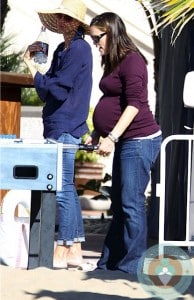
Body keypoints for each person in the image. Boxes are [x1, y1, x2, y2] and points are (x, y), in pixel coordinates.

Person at [86, 12, 162, 274]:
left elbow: (133, 106)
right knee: (119, 203)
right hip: (125, 140)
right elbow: (114, 101)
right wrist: (98, 131)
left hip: (140, 140)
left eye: (98, 38)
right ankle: (110, 262)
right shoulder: (114, 61)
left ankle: (132, 266)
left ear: (111, 32)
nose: (96, 44)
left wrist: (112, 136)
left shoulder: (133, 61)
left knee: (130, 202)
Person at [24, 0, 93, 269]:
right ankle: (73, 248)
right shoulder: (62, 51)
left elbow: (59, 90)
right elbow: (45, 92)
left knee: (62, 189)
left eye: (67, 18)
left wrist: (34, 71)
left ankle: (65, 248)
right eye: (60, 17)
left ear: (76, 23)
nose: (62, 22)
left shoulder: (78, 49)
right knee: (67, 188)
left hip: (66, 126)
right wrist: (36, 68)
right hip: (57, 124)